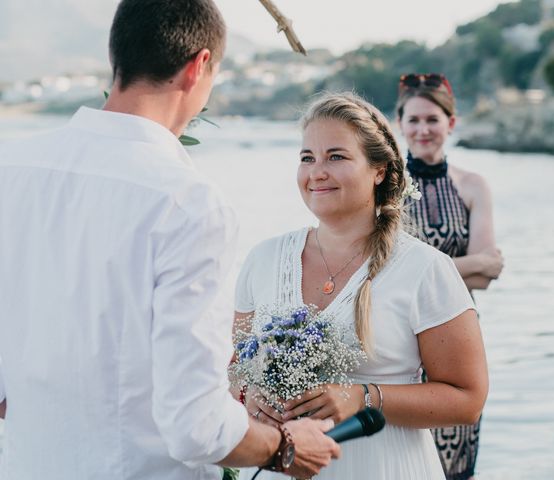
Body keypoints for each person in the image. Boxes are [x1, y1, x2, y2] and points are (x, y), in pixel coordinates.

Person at [0, 1, 340, 479]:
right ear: (199, 66)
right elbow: (195, 424)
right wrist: (285, 445)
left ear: (116, 56)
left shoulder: (11, 170)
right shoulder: (188, 203)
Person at [233, 92, 489, 480]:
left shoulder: (425, 268)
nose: (316, 172)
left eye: (336, 156)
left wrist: (364, 397)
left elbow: (467, 399)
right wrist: (248, 396)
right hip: (284, 468)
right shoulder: (262, 259)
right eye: (307, 158)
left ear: (380, 170)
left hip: (385, 467)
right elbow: (234, 366)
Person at [396, 73, 504, 480]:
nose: (423, 129)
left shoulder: (473, 185)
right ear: (400, 124)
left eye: (433, 119)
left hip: (459, 334)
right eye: (414, 120)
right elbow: (379, 272)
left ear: (451, 123)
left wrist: (414, 272)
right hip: (399, 337)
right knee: (406, 455)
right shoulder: (384, 188)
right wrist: (470, 264)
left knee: (457, 453)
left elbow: (486, 276)